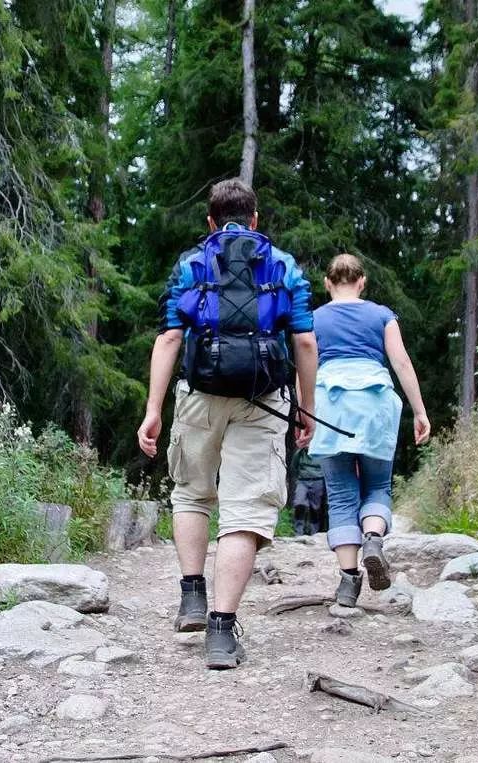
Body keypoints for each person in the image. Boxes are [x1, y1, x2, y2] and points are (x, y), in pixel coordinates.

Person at [136, 178, 318, 670]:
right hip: (263, 399)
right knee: (245, 512)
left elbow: (170, 338)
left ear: (210, 222)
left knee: (193, 494)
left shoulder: (192, 263)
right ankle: (220, 632)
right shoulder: (282, 264)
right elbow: (303, 342)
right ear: (256, 220)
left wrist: (153, 410)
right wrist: (305, 405)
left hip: (200, 394)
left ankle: (192, 595)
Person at [308, 253, 430, 607]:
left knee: (342, 495)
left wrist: (306, 415)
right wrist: (419, 411)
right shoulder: (382, 315)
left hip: (332, 407)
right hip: (375, 407)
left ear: (328, 283)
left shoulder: (314, 319)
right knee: (377, 485)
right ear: (362, 282)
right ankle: (373, 537)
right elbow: (401, 363)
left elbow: (306, 366)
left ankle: (348, 584)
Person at [289, 447, 326, 536]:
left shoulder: (321, 452)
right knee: (299, 503)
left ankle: (314, 532)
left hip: (318, 480)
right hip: (302, 480)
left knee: (315, 507)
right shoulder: (300, 453)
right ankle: (298, 532)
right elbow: (293, 466)